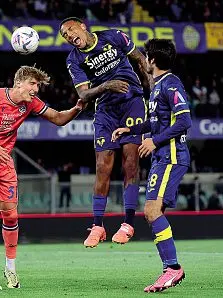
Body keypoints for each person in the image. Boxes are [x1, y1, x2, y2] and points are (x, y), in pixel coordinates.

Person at [0, 65, 86, 291]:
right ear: (19, 83)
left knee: (12, 215)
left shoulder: (30, 104)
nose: (36, 89)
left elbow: (57, 118)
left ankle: (10, 268)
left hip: (3, 162)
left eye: (38, 85)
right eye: (33, 84)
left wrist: (76, 109)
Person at [60, 17, 153, 247]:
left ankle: (128, 223)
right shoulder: (74, 59)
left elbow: (140, 60)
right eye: (64, 35)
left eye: (70, 30)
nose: (69, 36)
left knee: (130, 163)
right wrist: (106, 86)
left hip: (131, 101)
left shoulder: (113, 36)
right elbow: (83, 95)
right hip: (105, 110)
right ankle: (98, 225)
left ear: (82, 26)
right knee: (103, 167)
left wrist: (153, 92)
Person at [111, 39, 191, 292]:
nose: (143, 59)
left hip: (171, 156)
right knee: (153, 211)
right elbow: (157, 123)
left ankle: (172, 269)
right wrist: (132, 129)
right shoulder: (157, 87)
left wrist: (154, 142)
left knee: (152, 210)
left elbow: (184, 121)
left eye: (146, 55)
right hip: (162, 157)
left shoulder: (171, 84)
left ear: (153, 60)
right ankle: (171, 268)